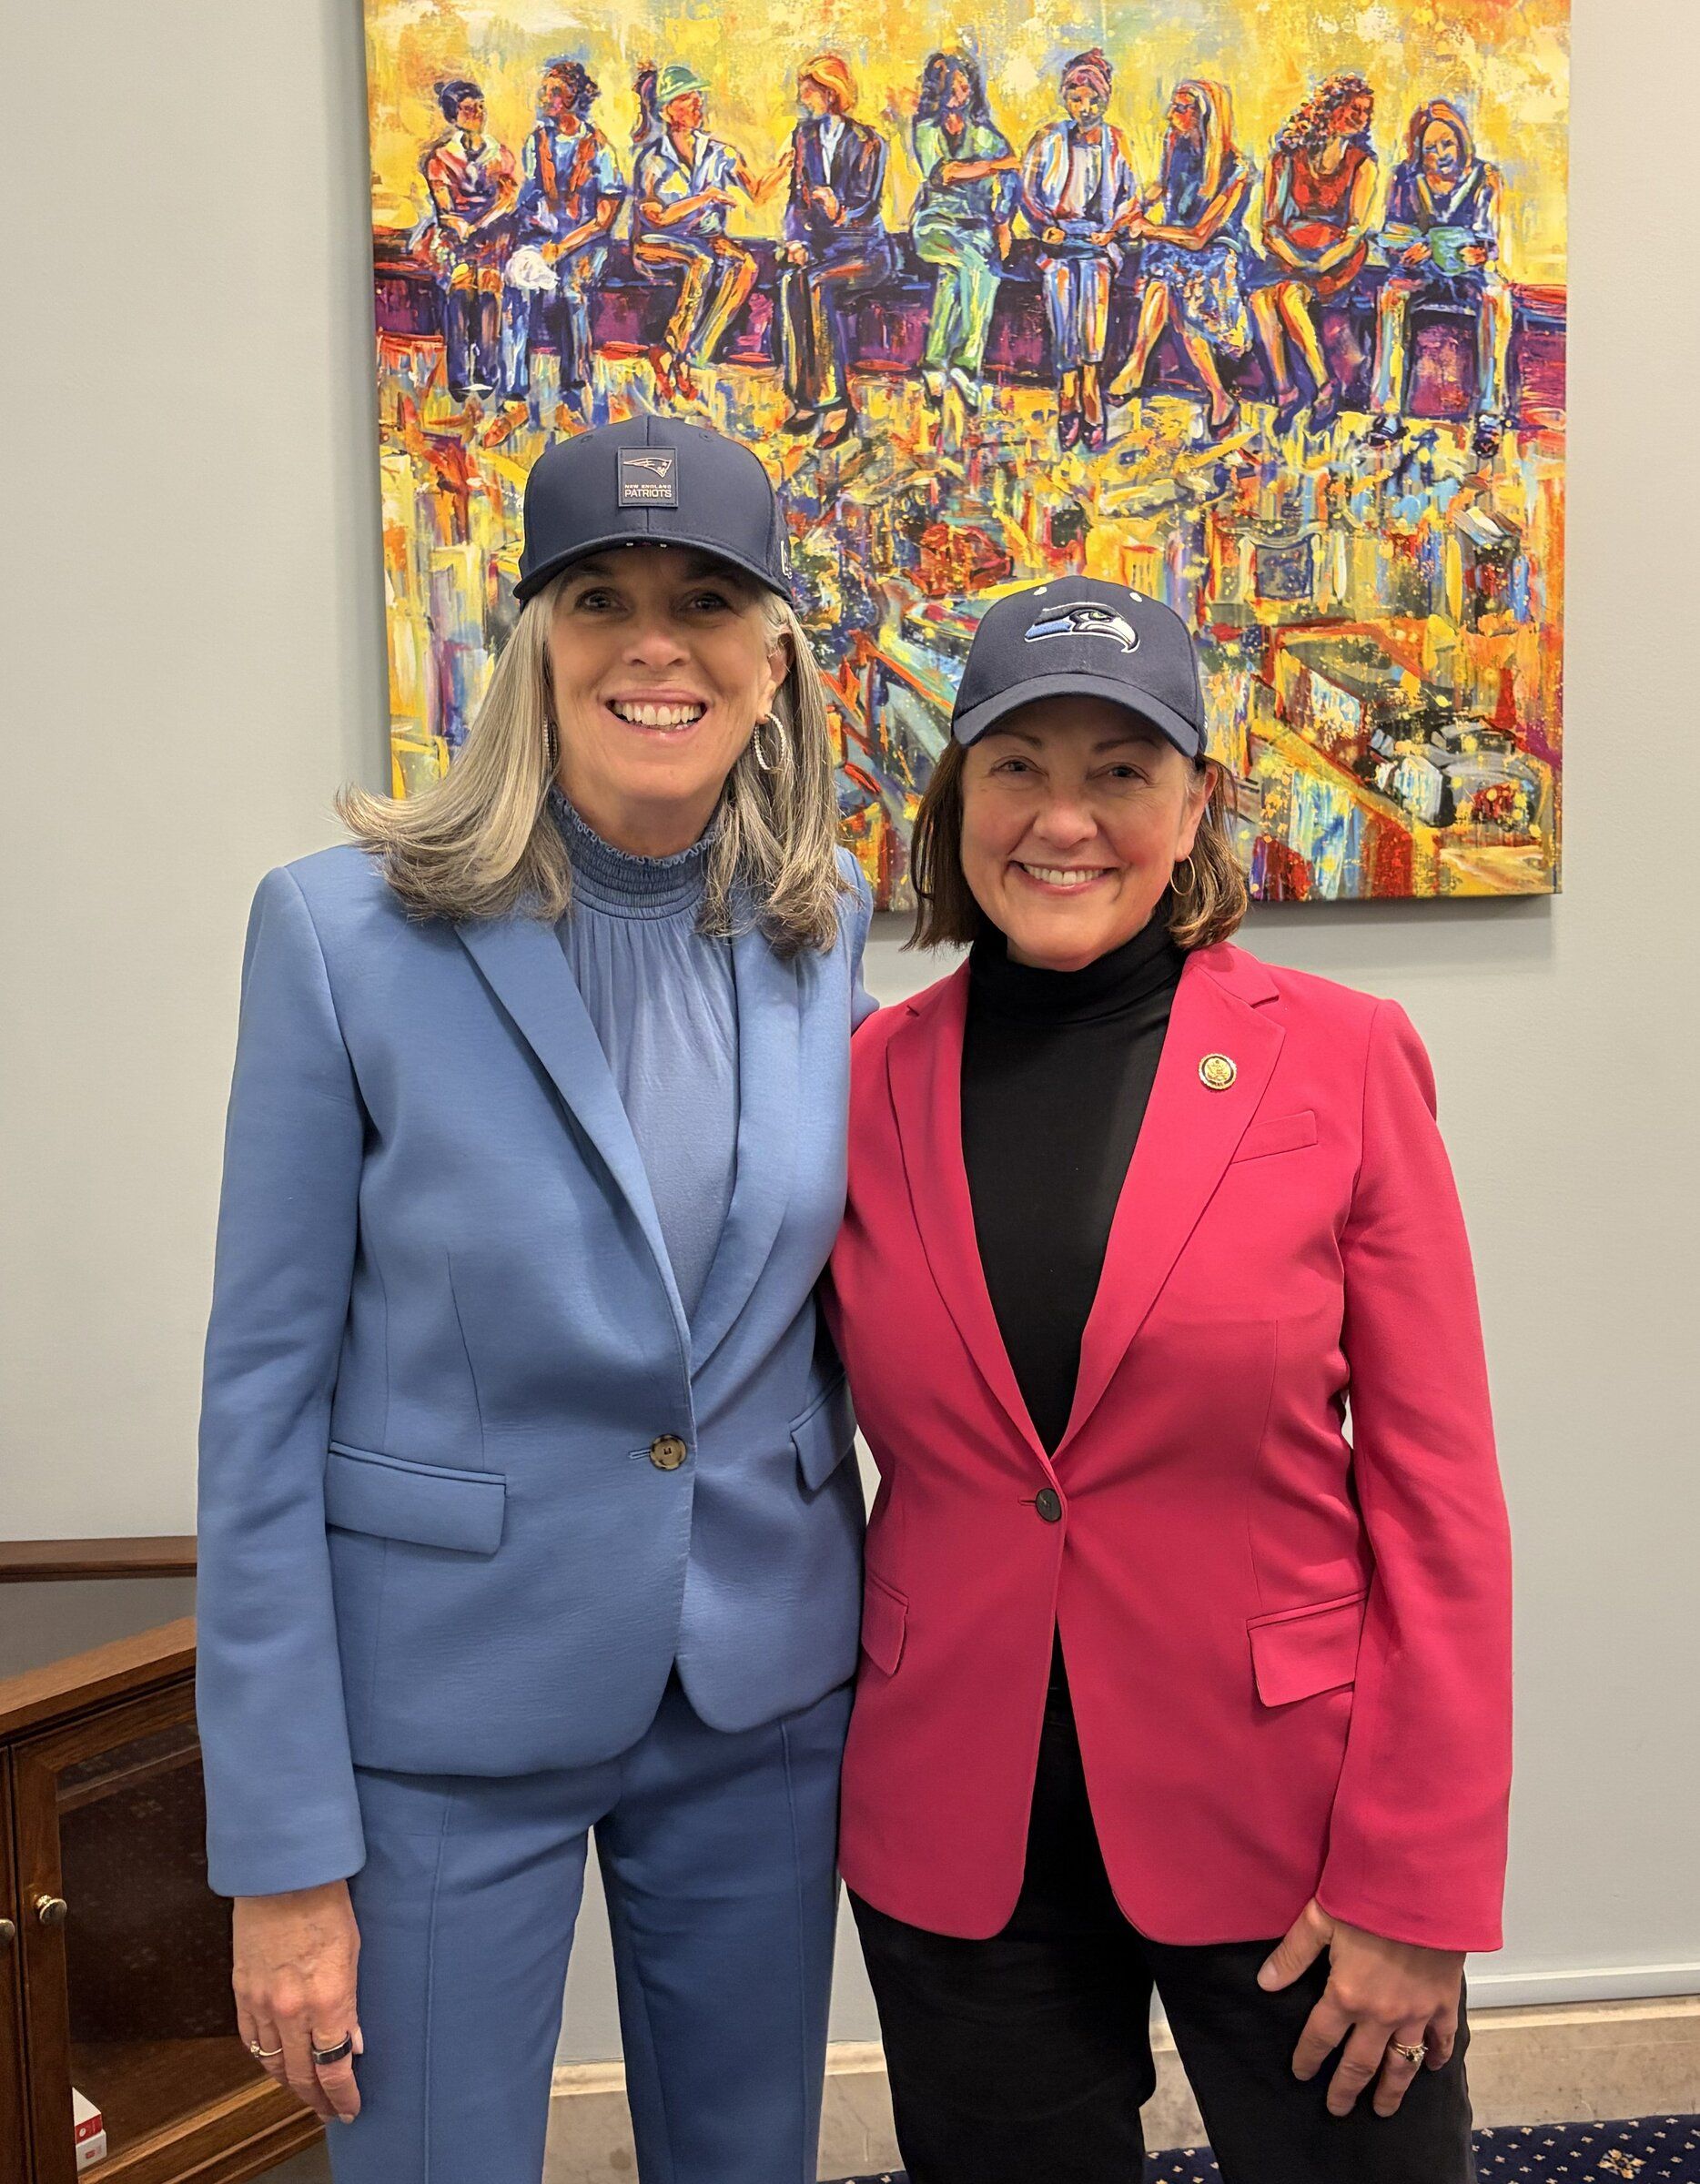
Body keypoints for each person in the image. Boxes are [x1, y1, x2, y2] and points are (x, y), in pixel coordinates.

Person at [197, 415, 875, 2180]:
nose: (658, 646)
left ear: (775, 651)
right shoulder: (339, 936)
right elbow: (259, 1406)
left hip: (756, 1694)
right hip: (444, 1710)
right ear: (530, 645)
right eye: (602, 599)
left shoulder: (825, 925)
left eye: (707, 602)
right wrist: (281, 1851)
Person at [825, 577, 1513, 2183]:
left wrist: (1416, 1879)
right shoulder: (855, 1086)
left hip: (1293, 1816)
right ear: (953, 793)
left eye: (1120, 771)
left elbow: (1437, 1500)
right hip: (958, 1822)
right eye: (1017, 767)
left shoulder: (1340, 1061)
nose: (1063, 820)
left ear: (1197, 800)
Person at [488, 57, 625, 448]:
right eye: (544, 90)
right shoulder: (537, 141)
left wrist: (562, 247)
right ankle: (513, 399)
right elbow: (528, 199)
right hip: (542, 240)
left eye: (554, 91)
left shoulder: (599, 147)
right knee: (514, 292)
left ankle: (572, 397)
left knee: (572, 292)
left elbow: (603, 219)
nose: (544, 97)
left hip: (586, 243)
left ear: (572, 98)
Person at [1108, 81, 1256, 440]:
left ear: (1205, 117)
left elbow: (1201, 235)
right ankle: (1212, 395)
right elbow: (1161, 185)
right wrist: (1134, 207)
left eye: (1181, 108)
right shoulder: (1175, 145)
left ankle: (1140, 366)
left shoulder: (1237, 170)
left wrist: (1148, 229)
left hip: (1217, 252)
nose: (1171, 114)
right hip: (1176, 248)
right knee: (1167, 277)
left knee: (1172, 275)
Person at [631, 64, 783, 405]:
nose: (698, 104)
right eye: (687, 99)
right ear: (668, 110)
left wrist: (784, 168)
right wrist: (705, 198)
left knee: (744, 265)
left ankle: (688, 353)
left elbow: (756, 193)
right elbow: (657, 218)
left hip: (704, 238)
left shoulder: (719, 152)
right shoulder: (653, 160)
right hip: (658, 242)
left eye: (697, 97)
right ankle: (675, 353)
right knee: (699, 261)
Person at [1369, 99, 1513, 459]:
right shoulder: (1405, 177)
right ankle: (1388, 413)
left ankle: (1489, 414)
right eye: (1430, 148)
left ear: (1461, 141)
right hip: (1422, 270)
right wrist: (1406, 251)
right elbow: (1392, 232)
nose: (1440, 154)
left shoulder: (1485, 177)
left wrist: (1482, 252)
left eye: (1447, 143)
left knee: (1496, 296)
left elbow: (1489, 239)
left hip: (1469, 273)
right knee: (1392, 294)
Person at [775, 55, 901, 449]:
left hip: (866, 251)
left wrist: (840, 210)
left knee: (815, 283)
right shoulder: (803, 136)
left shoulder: (869, 141)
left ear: (831, 92)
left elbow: (869, 204)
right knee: (790, 281)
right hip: (823, 249)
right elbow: (797, 199)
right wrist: (795, 240)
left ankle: (836, 406)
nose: (802, 96)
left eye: (809, 88)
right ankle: (805, 398)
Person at [1019, 48, 1140, 453]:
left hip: (1097, 241)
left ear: (1105, 101)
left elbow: (1130, 198)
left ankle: (1090, 389)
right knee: (1060, 293)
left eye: (1093, 101)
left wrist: (1113, 231)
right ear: (1065, 100)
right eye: (1076, 100)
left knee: (1095, 299)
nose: (1085, 109)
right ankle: (1067, 390)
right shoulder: (1047, 139)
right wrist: (1045, 227)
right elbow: (1028, 193)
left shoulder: (1117, 142)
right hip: (1059, 239)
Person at [1253, 73, 1380, 433]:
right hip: (1289, 253)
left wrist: (1323, 260)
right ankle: (1285, 392)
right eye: (1352, 108)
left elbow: (1356, 229)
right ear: (1329, 108)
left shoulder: (1361, 164)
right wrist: (1292, 256)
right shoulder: (1288, 157)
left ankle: (1325, 388)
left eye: (1365, 112)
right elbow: (1270, 225)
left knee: (1290, 298)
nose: (1359, 117)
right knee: (1261, 302)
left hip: (1335, 259)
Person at [908, 51, 1019, 417]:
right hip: (934, 226)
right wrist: (998, 165)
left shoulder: (988, 136)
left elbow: (1011, 181)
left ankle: (935, 363)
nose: (959, 92)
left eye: (964, 84)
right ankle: (966, 365)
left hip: (977, 229)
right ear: (936, 91)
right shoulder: (924, 131)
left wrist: (1004, 222)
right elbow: (944, 173)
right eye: (950, 85)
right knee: (977, 266)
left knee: (954, 276)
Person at [418, 78, 520, 404]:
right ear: (453, 115)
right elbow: (444, 207)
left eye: (479, 106)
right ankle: (459, 376)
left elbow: (508, 200)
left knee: (489, 286)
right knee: (461, 288)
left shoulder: (499, 153)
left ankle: (487, 373)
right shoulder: (440, 158)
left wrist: (483, 224)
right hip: (455, 235)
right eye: (467, 108)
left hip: (493, 234)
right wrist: (461, 226)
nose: (477, 113)